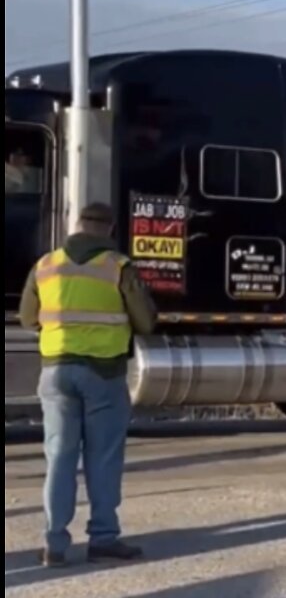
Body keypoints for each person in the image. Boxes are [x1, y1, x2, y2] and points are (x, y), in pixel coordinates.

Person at [18, 203, 156, 567]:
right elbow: (145, 322)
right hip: (104, 373)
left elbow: (28, 318)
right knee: (103, 459)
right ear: (109, 229)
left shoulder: (46, 265)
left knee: (60, 457)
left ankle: (55, 545)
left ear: (78, 227)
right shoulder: (118, 266)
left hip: (56, 372)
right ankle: (103, 538)